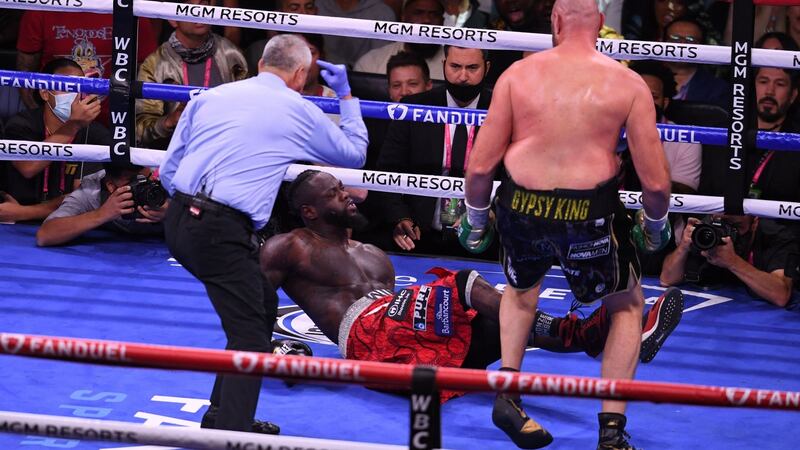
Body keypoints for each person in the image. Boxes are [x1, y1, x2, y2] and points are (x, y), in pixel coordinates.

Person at [261, 170, 684, 399]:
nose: (347, 195)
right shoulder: (292, 245)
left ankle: (593, 335)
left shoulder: (373, 254)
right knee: (461, 282)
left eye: (342, 188)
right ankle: (581, 331)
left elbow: (409, 324)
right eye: (334, 193)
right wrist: (271, 350)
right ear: (309, 211)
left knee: (489, 326)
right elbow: (252, 298)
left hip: (407, 348)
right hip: (364, 340)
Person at [462, 1, 672, 448]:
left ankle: (507, 396)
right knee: (627, 306)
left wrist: (477, 221)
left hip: (521, 203)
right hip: (587, 212)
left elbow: (480, 170)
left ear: (555, 23)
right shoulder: (627, 83)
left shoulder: (517, 76)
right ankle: (611, 432)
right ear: (600, 25)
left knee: (520, 294)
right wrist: (654, 226)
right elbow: (655, 182)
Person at [159, 34, 368, 433]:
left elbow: (170, 168)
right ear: (301, 74)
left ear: (260, 65)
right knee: (251, 333)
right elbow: (353, 154)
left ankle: (221, 415)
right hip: (218, 230)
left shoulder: (211, 96)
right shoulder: (298, 109)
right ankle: (231, 433)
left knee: (261, 303)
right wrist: (345, 96)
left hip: (180, 221)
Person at [375, 46, 495, 259]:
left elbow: (515, 177)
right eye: (455, 66)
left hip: (484, 239)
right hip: (420, 238)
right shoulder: (414, 106)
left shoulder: (501, 109)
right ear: (444, 65)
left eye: (472, 68)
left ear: (486, 68)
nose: (463, 77)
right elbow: (387, 169)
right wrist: (400, 217)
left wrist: (490, 213)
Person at [0, 58, 108, 224]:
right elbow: (27, 166)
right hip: (12, 224)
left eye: (79, 88)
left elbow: (81, 200)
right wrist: (73, 125)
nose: (74, 95)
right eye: (66, 87)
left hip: (64, 224)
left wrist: (24, 213)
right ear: (44, 93)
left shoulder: (94, 133)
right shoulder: (22, 124)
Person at [136, 0, 248, 150]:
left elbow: (248, 110)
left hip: (226, 149)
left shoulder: (232, 55)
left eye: (203, 5)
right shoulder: (155, 64)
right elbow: (139, 128)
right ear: (173, 19)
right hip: (176, 153)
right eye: (190, 7)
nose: (199, 12)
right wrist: (170, 121)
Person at [660, 214, 796, 308]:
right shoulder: (706, 231)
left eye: (736, 226)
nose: (728, 232)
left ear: (755, 222)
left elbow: (781, 295)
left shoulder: (775, 236)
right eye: (723, 223)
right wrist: (683, 248)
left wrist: (733, 262)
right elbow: (667, 279)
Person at [35, 162, 167, 246]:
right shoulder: (91, 191)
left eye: (145, 178)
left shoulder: (167, 182)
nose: (143, 185)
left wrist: (172, 213)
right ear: (111, 186)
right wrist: (102, 214)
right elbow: (45, 235)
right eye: (133, 181)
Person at [354, 0, 446, 80]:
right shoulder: (371, 63)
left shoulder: (456, 68)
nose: (426, 20)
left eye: (434, 14)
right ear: (403, 17)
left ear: (443, 21)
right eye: (418, 13)